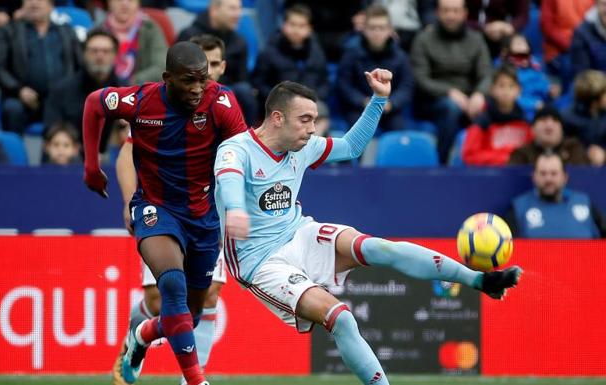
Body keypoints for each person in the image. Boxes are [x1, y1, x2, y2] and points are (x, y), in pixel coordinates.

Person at [213, 70, 522, 385]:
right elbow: (229, 178)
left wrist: (379, 99)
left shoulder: (303, 147)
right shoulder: (236, 150)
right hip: (261, 261)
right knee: (342, 319)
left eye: (314, 119)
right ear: (277, 118)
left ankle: (480, 280)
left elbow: (351, 147)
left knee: (378, 247)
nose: (312, 129)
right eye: (304, 120)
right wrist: (236, 209)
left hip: (299, 233)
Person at [83, 41, 248, 385]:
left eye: (203, 79)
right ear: (167, 78)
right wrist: (91, 166)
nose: (198, 88)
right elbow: (94, 103)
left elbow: (242, 156)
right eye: (189, 80)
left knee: (192, 311)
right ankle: (195, 380)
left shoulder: (221, 102)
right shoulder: (141, 101)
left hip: (204, 216)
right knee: (170, 286)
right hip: (156, 208)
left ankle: (142, 335)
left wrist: (240, 206)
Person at [411, 0, 492, 163]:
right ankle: (442, 164)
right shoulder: (423, 39)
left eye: (455, 11)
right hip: (432, 101)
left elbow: (486, 74)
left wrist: (479, 94)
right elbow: (421, 79)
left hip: (469, 100)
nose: (451, 16)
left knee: (493, 109)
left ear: (465, 13)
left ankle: (485, 166)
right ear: (437, 13)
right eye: (446, 10)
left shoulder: (476, 39)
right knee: (450, 108)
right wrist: (449, 92)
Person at [0, 0, 82, 135]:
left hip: (60, 99)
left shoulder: (66, 32)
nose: (34, 3)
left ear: (51, 6)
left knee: (79, 107)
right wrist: (18, 90)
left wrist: (68, 91)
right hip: (24, 99)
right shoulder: (9, 31)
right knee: (12, 109)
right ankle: (13, 154)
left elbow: (80, 66)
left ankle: (72, 155)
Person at [177, 0, 257, 125]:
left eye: (239, 9)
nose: (238, 14)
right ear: (214, 10)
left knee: (245, 91)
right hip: (194, 88)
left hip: (229, 91)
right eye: (232, 9)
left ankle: (247, 138)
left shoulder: (240, 42)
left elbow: (242, 78)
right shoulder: (188, 36)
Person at [44, 29, 124, 154]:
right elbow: (51, 131)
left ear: (115, 55)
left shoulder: (128, 92)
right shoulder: (61, 90)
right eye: (94, 51)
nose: (100, 56)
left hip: (115, 161)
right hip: (72, 161)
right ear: (84, 53)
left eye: (106, 51)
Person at [337, 4, 413, 133]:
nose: (377, 32)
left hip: (389, 109)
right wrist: (363, 101)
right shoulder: (351, 54)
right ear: (364, 29)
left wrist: (391, 103)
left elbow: (406, 87)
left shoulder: (401, 57)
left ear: (390, 30)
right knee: (354, 140)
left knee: (399, 137)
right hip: (359, 109)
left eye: (381, 28)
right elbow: (344, 86)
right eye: (372, 28)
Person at [252, 4, 329, 114]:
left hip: (310, 105)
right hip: (279, 107)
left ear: (309, 29)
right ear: (283, 26)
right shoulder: (269, 52)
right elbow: (259, 84)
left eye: (302, 25)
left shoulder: (317, 53)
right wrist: (281, 101)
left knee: (322, 112)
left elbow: (324, 83)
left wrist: (313, 99)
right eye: (292, 24)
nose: (296, 30)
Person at [508, 152, 606, 238]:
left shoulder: (585, 203)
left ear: (565, 177)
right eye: (543, 173)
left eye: (554, 173)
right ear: (534, 177)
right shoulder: (519, 207)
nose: (548, 179)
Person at [462, 65, 532, 166]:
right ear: (492, 90)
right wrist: (504, 159)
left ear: (519, 90)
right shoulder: (481, 122)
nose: (506, 91)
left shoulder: (526, 122)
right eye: (501, 85)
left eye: (511, 86)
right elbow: (469, 156)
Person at [101, 0, 168, 84]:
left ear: (138, 3)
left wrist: (130, 84)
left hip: (140, 92)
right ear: (109, 3)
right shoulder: (100, 30)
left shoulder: (150, 28)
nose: (124, 3)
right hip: (105, 91)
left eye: (130, 0)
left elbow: (161, 67)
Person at [499, 33, 555, 121]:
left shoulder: (535, 64)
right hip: (521, 109)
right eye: (517, 43)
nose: (522, 45)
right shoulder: (505, 68)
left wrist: (549, 89)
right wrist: (533, 104)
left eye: (524, 42)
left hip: (542, 105)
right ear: (508, 49)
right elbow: (510, 96)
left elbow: (542, 82)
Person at [509, 105, 589, 165]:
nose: (549, 125)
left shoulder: (574, 148)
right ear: (532, 129)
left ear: (562, 129)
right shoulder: (522, 153)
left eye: (555, 120)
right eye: (543, 120)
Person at [561, 70, 606, 167]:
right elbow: (564, 149)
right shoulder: (567, 118)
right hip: (578, 168)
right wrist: (586, 154)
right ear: (595, 101)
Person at [465, 0, 530, 57]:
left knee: (518, 45)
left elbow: (522, 15)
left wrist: (509, 26)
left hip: (502, 30)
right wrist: (483, 27)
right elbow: (457, 12)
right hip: (469, 29)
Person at [570, 0, 606, 79]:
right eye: (604, 4)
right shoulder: (582, 33)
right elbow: (583, 74)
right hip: (595, 87)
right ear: (596, 6)